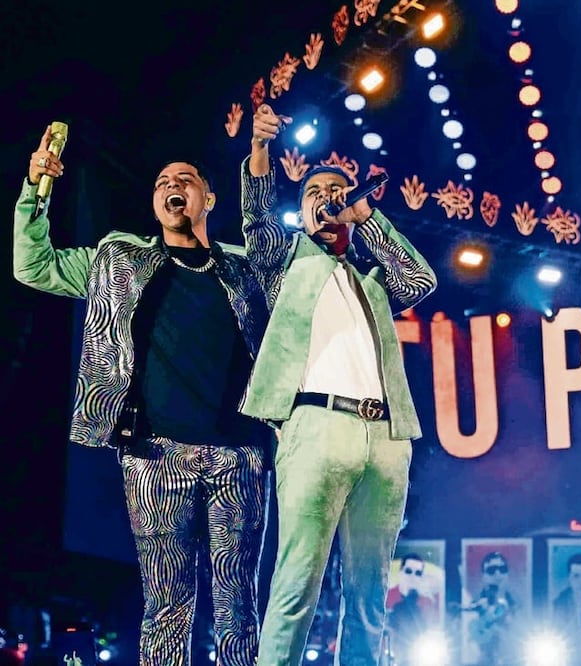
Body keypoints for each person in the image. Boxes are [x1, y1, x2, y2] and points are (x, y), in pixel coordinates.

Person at [13, 126, 273, 665]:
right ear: (156, 201)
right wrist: (36, 189)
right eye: (162, 182)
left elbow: (274, 247)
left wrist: (261, 164)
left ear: (209, 198)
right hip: (156, 459)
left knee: (238, 606)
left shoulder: (245, 268)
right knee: (167, 605)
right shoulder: (119, 259)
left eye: (185, 179)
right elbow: (32, 266)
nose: (171, 186)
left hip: (239, 455)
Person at [240, 104, 437, 666]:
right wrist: (259, 152)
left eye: (337, 192)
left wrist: (367, 216)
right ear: (299, 212)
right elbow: (256, 220)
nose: (327, 198)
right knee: (298, 580)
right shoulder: (284, 260)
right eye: (314, 193)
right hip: (315, 424)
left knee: (370, 591)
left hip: (386, 436)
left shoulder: (374, 281)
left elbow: (420, 279)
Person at [465, 552, 520, 665]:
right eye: (491, 570)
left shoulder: (519, 607)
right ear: (483, 576)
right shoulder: (473, 607)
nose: (497, 574)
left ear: (507, 574)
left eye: (502, 569)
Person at [385, 553, 440, 659]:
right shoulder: (386, 598)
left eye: (418, 573)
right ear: (400, 572)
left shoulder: (427, 603)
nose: (413, 577)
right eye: (408, 571)